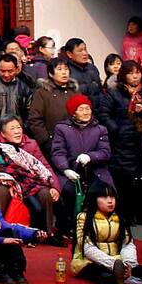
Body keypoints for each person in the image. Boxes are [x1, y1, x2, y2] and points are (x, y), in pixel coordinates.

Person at [0, 120, 61, 239]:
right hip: (8, 184)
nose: (17, 131)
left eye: (18, 127)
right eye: (12, 128)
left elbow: (40, 165)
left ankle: (47, 233)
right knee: (0, 191)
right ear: (3, 133)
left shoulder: (27, 144)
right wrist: (10, 184)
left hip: (29, 180)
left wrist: (54, 186)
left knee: (45, 194)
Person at [98, 59, 142, 225]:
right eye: (131, 73)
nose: (135, 77)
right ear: (123, 75)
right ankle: (126, 214)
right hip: (122, 140)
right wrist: (118, 130)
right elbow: (104, 115)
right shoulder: (114, 92)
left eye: (137, 72)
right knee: (124, 178)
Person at [51, 94, 114, 226]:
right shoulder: (61, 128)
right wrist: (65, 169)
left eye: (88, 108)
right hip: (71, 169)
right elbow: (58, 152)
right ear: (73, 113)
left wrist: (90, 156)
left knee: (101, 190)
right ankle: (68, 225)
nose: (86, 112)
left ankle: (98, 224)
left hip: (95, 169)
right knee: (68, 191)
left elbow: (105, 152)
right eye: (81, 109)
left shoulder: (100, 129)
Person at [27, 57, 79, 155]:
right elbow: (35, 119)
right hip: (53, 142)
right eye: (59, 69)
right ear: (51, 73)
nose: (64, 72)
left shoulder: (75, 92)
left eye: (66, 69)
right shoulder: (42, 93)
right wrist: (46, 140)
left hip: (76, 141)